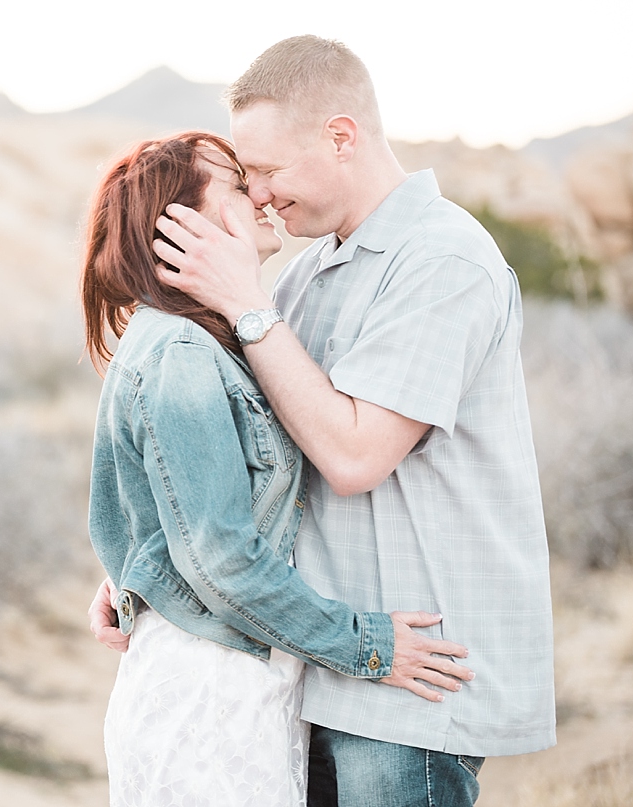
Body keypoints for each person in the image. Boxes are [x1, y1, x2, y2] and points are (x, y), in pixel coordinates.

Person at [90, 36, 555, 807]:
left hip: (412, 685)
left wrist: (246, 305)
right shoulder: (299, 279)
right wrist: (146, 567)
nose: (260, 195)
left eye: (266, 170)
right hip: (315, 674)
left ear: (341, 136)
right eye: (245, 178)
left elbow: (354, 455)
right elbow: (230, 469)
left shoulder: (442, 260)